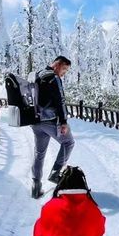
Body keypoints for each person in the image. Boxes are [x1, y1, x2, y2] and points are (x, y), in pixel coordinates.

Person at [31, 55, 75, 199]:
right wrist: (63, 121)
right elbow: (60, 100)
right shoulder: (54, 78)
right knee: (68, 142)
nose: (64, 73)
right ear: (57, 65)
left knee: (39, 153)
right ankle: (56, 173)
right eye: (64, 69)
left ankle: (35, 187)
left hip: (35, 121)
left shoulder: (38, 75)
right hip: (50, 120)